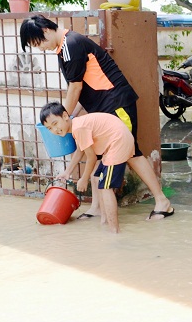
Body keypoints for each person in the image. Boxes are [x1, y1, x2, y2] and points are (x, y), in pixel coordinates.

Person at [20, 14, 171, 220]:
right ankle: (98, 208)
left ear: (46, 31)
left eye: (38, 43)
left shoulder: (70, 45)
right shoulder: (63, 48)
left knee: (132, 152)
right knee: (100, 157)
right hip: (102, 106)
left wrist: (65, 119)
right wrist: (71, 117)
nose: (40, 48)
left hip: (117, 104)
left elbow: (75, 87)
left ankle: (162, 201)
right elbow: (85, 87)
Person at [40, 102, 174, 233]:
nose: (55, 130)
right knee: (98, 178)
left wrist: (84, 178)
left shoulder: (78, 128)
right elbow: (81, 149)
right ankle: (104, 222)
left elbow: (91, 157)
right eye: (49, 128)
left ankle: (114, 231)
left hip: (117, 144)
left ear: (64, 116)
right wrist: (67, 171)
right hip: (117, 142)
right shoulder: (77, 125)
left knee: (105, 187)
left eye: (55, 123)